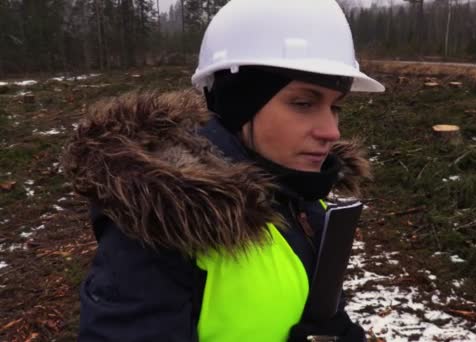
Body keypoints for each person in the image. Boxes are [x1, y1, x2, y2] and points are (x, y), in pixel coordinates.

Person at [62, 0, 384, 340]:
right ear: (238, 105)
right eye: (303, 103)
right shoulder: (165, 225)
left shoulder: (300, 195)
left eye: (335, 107)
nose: (331, 131)